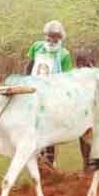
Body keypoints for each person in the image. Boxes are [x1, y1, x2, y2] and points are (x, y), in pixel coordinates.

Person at [26, 20, 74, 170]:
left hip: (52, 93)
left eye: (55, 37)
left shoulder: (64, 54)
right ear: (45, 34)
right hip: (34, 90)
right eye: (49, 36)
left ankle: (50, 163)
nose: (51, 39)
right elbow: (29, 65)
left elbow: (67, 77)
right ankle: (35, 159)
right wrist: (25, 82)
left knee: (49, 129)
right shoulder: (37, 47)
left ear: (60, 37)